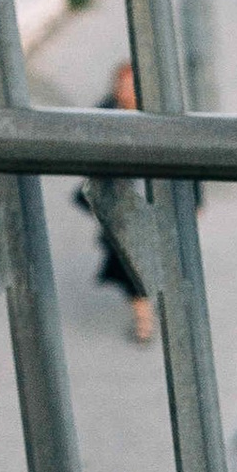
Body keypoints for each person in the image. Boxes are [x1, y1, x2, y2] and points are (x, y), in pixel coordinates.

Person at [79, 57, 154, 342]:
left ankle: (145, 316)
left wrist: (195, 203)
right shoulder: (104, 114)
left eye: (133, 85)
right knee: (129, 268)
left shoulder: (159, 116)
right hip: (118, 212)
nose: (126, 91)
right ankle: (144, 320)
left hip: (152, 206)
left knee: (145, 265)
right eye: (122, 85)